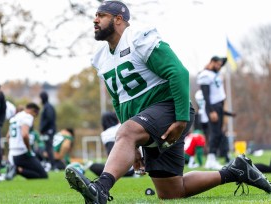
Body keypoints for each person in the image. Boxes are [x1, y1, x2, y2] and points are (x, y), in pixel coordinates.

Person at [64, 1, 271, 203]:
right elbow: (119, 100)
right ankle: (235, 171)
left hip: (170, 108)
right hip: (146, 120)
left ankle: (101, 187)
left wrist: (180, 119)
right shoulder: (100, 58)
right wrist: (130, 144)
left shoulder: (138, 38)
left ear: (118, 19)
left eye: (101, 15)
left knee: (127, 132)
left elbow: (178, 72)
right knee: (171, 191)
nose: (95, 20)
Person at [6, 102, 48, 180]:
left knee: (37, 173)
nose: (34, 118)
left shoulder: (16, 117)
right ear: (33, 111)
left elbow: (8, 136)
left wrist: (12, 147)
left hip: (12, 154)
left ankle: (16, 169)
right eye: (35, 116)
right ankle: (17, 170)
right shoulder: (27, 116)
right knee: (43, 175)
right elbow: (25, 134)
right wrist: (28, 149)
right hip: (22, 153)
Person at [88, 111, 134, 177]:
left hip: (115, 170)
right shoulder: (122, 126)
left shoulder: (104, 134)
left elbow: (110, 153)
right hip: (131, 167)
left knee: (91, 165)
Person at [39, 91, 56, 170]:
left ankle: (53, 165)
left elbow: (49, 119)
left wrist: (42, 128)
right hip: (48, 130)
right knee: (46, 148)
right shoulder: (47, 106)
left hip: (49, 131)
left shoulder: (48, 107)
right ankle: (49, 164)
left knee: (49, 148)